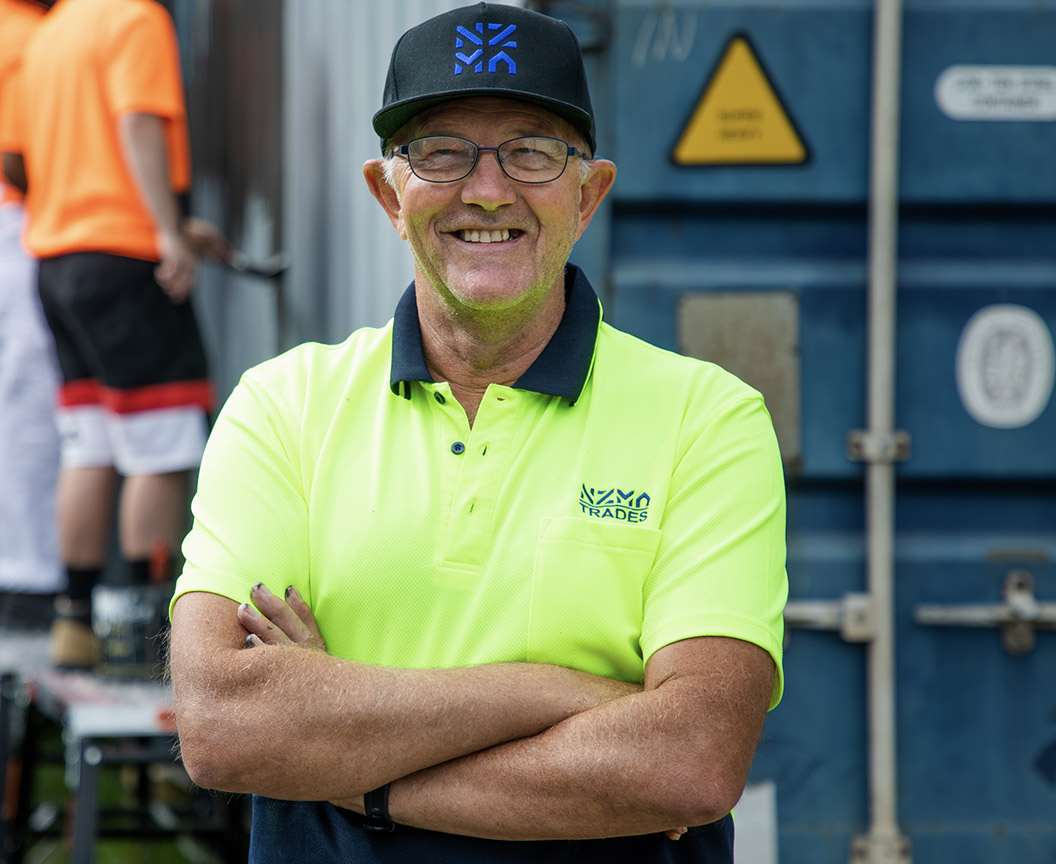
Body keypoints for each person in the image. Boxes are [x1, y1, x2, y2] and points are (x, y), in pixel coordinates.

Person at [167, 4, 788, 862]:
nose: (487, 190)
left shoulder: (708, 421)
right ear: (391, 193)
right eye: (442, 152)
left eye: (531, 151)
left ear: (589, 192)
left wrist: (360, 777)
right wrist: (561, 693)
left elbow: (688, 760)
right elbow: (224, 729)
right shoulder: (283, 406)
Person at [0, 0, 229, 668]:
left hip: (55, 260)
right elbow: (136, 123)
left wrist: (150, 222)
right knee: (159, 441)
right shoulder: (134, 17)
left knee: (89, 438)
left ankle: (75, 620)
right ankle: (143, 642)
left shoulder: (47, 34)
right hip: (125, 261)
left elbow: (17, 160)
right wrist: (163, 228)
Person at [0, 0, 77, 647]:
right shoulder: (25, 31)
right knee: (24, 408)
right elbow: (16, 158)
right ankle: (26, 580)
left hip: (2, 223)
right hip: (23, 221)